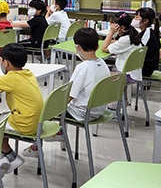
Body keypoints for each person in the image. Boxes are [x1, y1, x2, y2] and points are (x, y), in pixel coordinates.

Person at [23, 28, 111, 157]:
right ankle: (59, 132)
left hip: (81, 112)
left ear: (78, 47)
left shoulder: (83, 67)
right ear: (97, 46)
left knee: (43, 110)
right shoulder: (102, 64)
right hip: (98, 110)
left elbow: (69, 96)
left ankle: (36, 146)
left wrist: (50, 111)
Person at [0, 43, 43, 175]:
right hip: (38, 120)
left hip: (26, 123)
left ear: (6, 63)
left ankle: (10, 156)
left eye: (1, 60)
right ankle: (6, 156)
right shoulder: (27, 73)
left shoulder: (11, 78)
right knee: (1, 118)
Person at [102, 13, 143, 83]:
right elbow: (116, 42)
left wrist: (111, 32)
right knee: (100, 69)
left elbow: (104, 48)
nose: (111, 26)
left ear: (122, 27)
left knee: (97, 73)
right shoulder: (132, 33)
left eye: (113, 24)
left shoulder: (125, 39)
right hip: (131, 72)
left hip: (127, 75)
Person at [134, 8, 160, 77]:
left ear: (145, 21)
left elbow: (139, 50)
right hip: (147, 66)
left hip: (145, 69)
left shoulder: (147, 34)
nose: (134, 19)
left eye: (137, 17)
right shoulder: (148, 31)